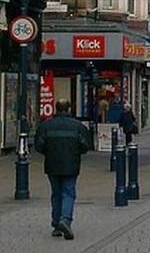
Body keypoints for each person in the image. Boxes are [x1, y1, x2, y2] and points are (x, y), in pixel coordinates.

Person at [35, 99, 90, 240]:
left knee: (56, 193)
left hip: (52, 164)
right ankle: (65, 220)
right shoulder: (78, 126)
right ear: (69, 108)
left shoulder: (46, 125)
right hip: (71, 164)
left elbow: (39, 146)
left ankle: (56, 224)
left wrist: (50, 151)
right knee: (68, 192)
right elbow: (85, 146)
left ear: (56, 108)